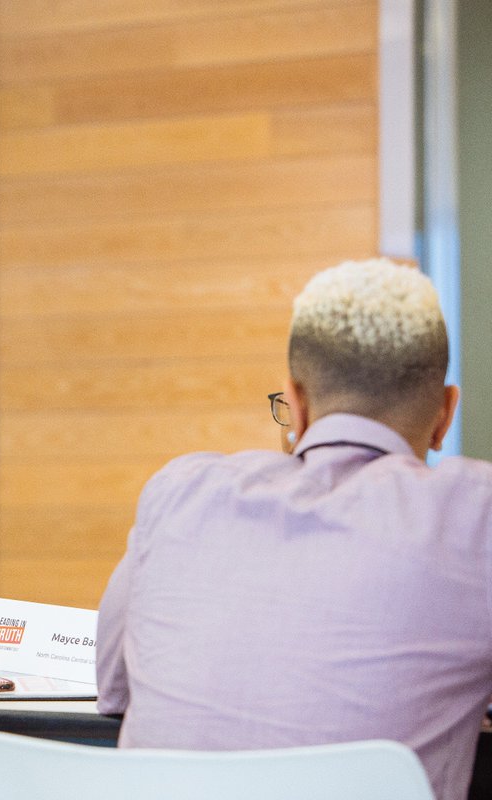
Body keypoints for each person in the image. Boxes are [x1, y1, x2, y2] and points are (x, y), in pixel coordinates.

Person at [94, 257, 490, 800]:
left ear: (296, 404)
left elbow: (114, 693)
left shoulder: (180, 491)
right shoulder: (476, 517)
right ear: (445, 413)